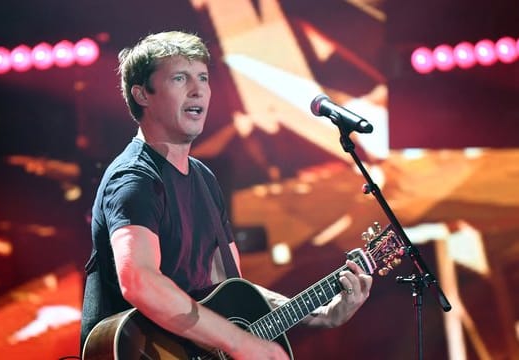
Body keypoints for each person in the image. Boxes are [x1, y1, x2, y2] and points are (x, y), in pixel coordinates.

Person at [80, 30, 373, 360]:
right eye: (180, 78)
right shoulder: (135, 177)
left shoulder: (204, 179)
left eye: (203, 78)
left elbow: (228, 291)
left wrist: (320, 313)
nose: (198, 90)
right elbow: (139, 281)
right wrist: (241, 343)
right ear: (142, 94)